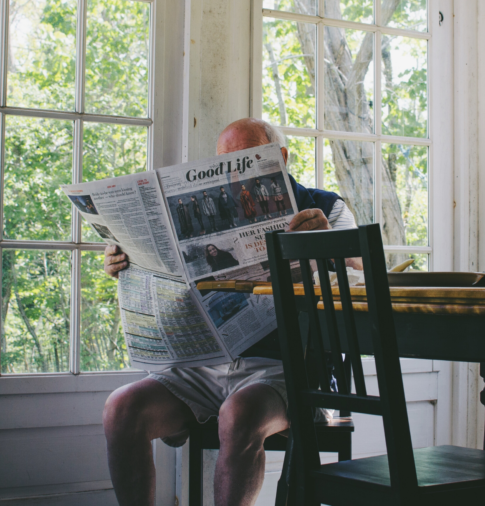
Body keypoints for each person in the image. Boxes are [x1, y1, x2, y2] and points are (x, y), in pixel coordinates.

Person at [102, 118, 358, 506]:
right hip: (202, 365)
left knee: (239, 414)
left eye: (247, 159)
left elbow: (363, 278)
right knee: (121, 409)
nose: (235, 172)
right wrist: (124, 261)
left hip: (284, 369)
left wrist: (327, 245)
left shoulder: (325, 207)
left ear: (281, 157)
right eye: (225, 162)